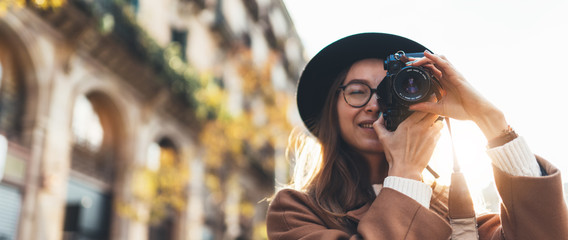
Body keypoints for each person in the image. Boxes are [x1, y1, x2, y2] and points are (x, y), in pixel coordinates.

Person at [266, 33, 568, 239]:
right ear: (331, 110)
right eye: (357, 92)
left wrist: (491, 121)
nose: (374, 104)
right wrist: (405, 173)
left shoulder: (458, 212)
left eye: (390, 91)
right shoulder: (295, 211)